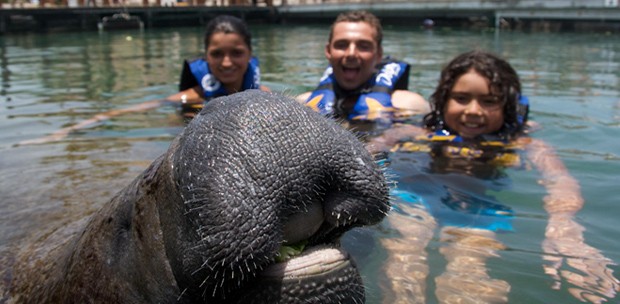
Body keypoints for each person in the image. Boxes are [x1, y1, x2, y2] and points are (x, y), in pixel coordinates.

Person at [369, 50, 619, 303]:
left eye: (489, 101)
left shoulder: (526, 144)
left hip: (479, 206)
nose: (474, 111)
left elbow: (561, 182)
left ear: (507, 107)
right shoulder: (412, 132)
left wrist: (564, 226)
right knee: (404, 254)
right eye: (461, 98)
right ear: (443, 101)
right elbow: (369, 153)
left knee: (470, 266)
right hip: (416, 196)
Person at [20, 15, 269, 145]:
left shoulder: (264, 95)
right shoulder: (194, 96)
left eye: (236, 53)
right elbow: (133, 109)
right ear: (206, 57)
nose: (227, 63)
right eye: (217, 54)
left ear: (250, 54)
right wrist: (69, 130)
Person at [296, 10, 430, 121]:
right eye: (342, 45)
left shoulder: (410, 106)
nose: (351, 54)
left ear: (379, 54)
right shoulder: (301, 105)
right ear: (328, 51)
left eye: (363, 46)